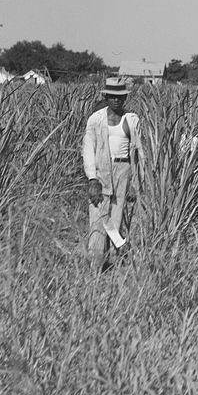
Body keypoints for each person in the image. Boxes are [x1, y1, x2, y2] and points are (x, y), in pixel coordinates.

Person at [82, 77, 140, 271]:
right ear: (106, 96)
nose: (116, 100)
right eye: (112, 97)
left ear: (125, 98)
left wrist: (135, 182)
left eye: (120, 97)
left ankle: (113, 263)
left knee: (116, 215)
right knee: (98, 216)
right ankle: (96, 264)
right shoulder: (96, 119)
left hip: (123, 170)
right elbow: (88, 148)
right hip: (101, 170)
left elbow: (137, 151)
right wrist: (92, 178)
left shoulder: (131, 120)